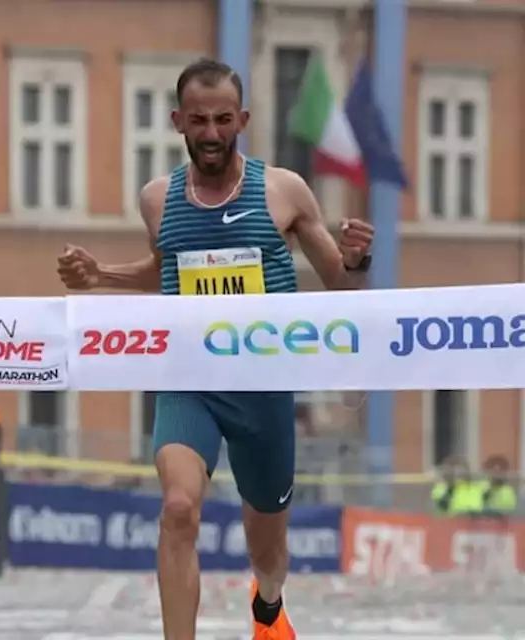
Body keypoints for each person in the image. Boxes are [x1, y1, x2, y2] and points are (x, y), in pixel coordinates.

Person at [56, 58, 374, 640]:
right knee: (178, 510)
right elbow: (167, 269)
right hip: (189, 382)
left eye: (223, 119)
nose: (210, 132)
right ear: (178, 121)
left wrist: (356, 260)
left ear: (242, 120)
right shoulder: (157, 199)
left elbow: (341, 283)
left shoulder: (284, 190)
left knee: (267, 552)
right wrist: (100, 274)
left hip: (263, 389)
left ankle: (269, 609)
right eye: (198, 119)